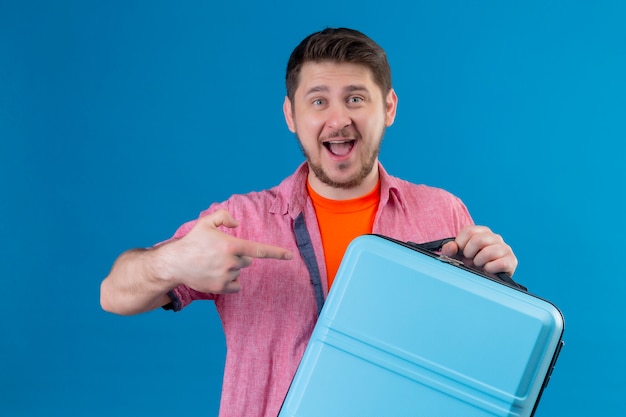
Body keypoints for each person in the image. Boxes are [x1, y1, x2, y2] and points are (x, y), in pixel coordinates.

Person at [100, 27, 518, 417]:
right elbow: (113, 295)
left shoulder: (442, 212)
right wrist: (169, 263)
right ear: (291, 115)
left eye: (356, 98)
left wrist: (499, 294)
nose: (338, 120)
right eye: (319, 101)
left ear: (388, 107)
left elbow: (479, 357)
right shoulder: (238, 220)